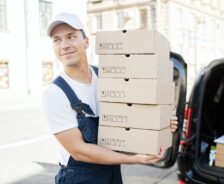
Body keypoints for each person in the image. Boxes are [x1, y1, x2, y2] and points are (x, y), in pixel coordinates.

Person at [42, 12, 178, 184]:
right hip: (79, 178)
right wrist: (135, 159)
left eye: (71, 37)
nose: (64, 45)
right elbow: (79, 151)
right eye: (57, 40)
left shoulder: (109, 77)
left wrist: (161, 124)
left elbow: (133, 117)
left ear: (86, 42)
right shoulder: (55, 94)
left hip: (111, 171)